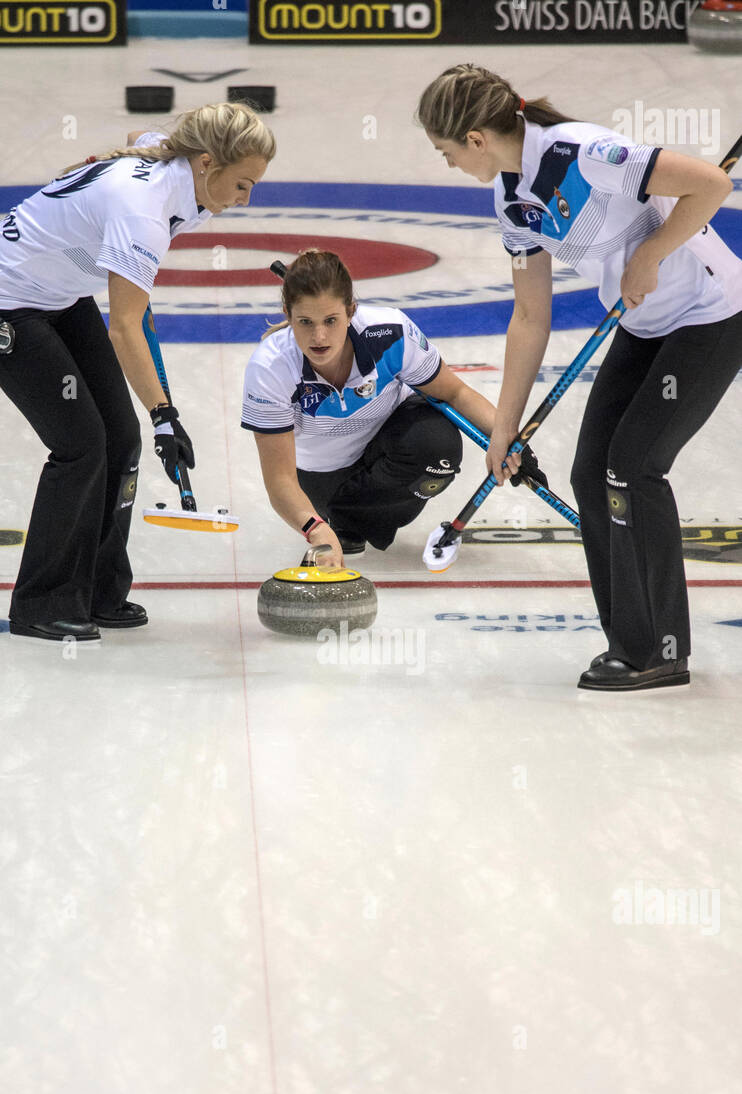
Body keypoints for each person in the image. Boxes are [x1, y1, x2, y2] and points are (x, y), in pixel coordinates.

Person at [417, 64, 742, 691]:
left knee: (634, 464)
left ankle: (659, 650)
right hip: (647, 323)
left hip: (713, 314)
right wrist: (503, 428)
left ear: (477, 138)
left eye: (447, 151)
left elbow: (708, 186)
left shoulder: (586, 152)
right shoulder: (512, 199)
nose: (449, 164)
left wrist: (649, 254)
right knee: (590, 470)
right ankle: (628, 640)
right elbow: (530, 316)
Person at [0, 102, 275, 641]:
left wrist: (152, 424)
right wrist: (165, 416)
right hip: (10, 302)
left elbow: (141, 135)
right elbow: (126, 327)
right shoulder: (142, 210)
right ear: (205, 164)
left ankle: (99, 592)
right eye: (242, 184)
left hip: (58, 294)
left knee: (120, 438)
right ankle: (42, 602)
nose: (247, 199)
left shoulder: (177, 164)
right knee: (80, 443)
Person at [242, 248, 538, 569]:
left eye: (331, 320)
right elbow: (279, 480)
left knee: (437, 447)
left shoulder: (390, 332)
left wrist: (510, 440)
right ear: (287, 313)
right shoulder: (270, 367)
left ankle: (355, 523)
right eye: (305, 322)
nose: (319, 336)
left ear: (351, 311)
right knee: (327, 509)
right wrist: (316, 529)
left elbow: (455, 393)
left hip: (387, 454)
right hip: (321, 481)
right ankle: (339, 520)